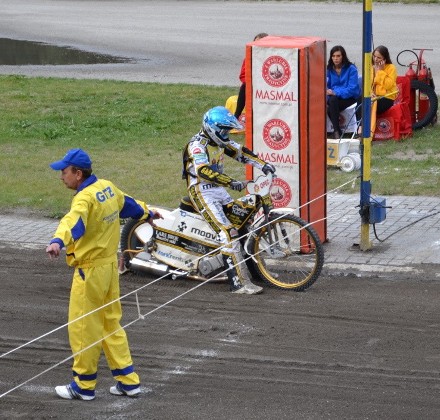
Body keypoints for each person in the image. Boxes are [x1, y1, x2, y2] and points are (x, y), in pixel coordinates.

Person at [46, 148, 162, 401]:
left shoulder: (83, 198)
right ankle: (128, 381)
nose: (61, 176)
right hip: (110, 269)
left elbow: (72, 223)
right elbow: (128, 205)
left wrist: (57, 241)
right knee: (111, 324)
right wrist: (148, 212)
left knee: (84, 327)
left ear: (78, 173)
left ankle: (83, 386)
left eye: (64, 172)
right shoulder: (106, 187)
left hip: (90, 271)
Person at [182, 106, 276, 294]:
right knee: (228, 233)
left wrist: (264, 165)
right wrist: (231, 182)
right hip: (201, 191)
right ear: (212, 128)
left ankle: (258, 273)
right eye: (223, 130)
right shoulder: (197, 145)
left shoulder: (219, 142)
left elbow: (241, 152)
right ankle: (238, 284)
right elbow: (202, 170)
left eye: (228, 130)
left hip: (217, 189)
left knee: (243, 226)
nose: (226, 134)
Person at [326, 45, 360, 139]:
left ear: (343, 56)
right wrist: (329, 92)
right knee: (332, 101)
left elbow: (352, 89)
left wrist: (336, 92)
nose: (335, 58)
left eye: (338, 56)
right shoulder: (329, 69)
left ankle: (337, 132)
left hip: (349, 97)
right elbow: (325, 85)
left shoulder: (351, 69)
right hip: (334, 98)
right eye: (333, 56)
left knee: (331, 108)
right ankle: (337, 132)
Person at [234, 32, 269, 120]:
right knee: (245, 86)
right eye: (256, 44)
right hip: (253, 84)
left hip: (268, 86)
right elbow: (243, 75)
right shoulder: (249, 57)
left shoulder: (272, 57)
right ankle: (236, 116)